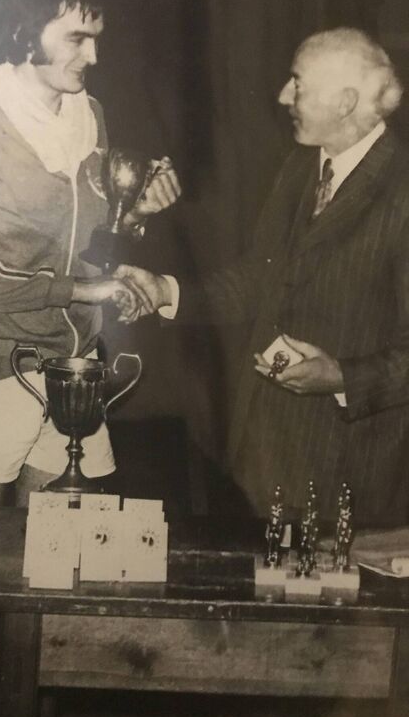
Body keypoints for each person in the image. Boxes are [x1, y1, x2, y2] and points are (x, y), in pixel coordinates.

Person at [0, 0, 180, 717]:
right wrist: (88, 287)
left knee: (48, 585)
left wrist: (137, 221)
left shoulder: (87, 114)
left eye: (97, 35)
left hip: (74, 372)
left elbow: (95, 234)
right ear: (22, 35)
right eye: (77, 36)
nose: (93, 55)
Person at [116, 27, 409, 530]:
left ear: (345, 102)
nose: (282, 96)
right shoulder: (302, 167)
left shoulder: (402, 191)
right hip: (264, 462)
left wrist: (342, 377)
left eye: (297, 84)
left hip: (354, 478)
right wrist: (168, 292)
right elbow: (261, 277)